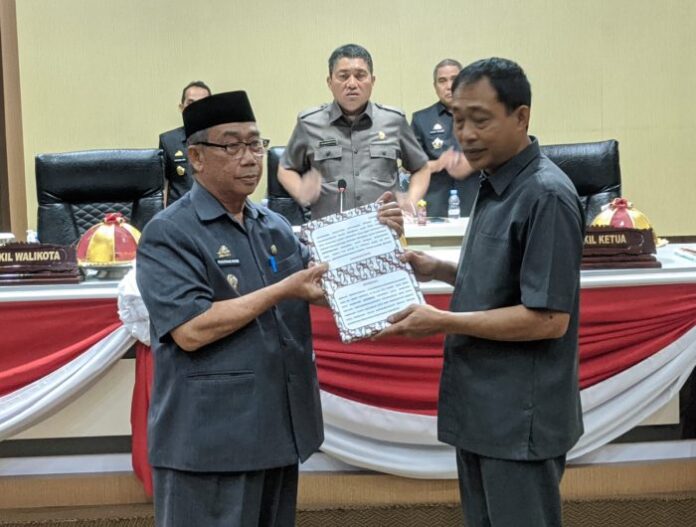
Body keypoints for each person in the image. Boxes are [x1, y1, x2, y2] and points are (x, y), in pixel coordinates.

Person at [136, 90, 403, 527]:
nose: (250, 158)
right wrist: (282, 290)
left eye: (255, 144)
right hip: (210, 443)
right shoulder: (170, 232)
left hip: (277, 430)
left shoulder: (273, 226)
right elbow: (191, 330)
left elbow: (323, 282)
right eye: (232, 146)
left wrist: (375, 235)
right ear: (196, 157)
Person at [377, 58, 585, 527]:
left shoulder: (546, 195)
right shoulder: (495, 182)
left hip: (518, 417)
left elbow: (548, 319)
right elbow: (503, 282)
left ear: (521, 117)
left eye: (480, 120)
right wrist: (439, 269)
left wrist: (442, 321)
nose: (465, 135)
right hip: (481, 409)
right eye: (458, 120)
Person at [278, 43, 430, 219]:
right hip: (330, 229)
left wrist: (410, 200)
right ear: (329, 82)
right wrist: (301, 191)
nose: (351, 84)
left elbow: (421, 167)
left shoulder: (394, 120)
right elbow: (285, 168)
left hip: (383, 228)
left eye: (360, 76)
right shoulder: (309, 123)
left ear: (372, 81)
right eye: (343, 76)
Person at [411, 59, 478, 217]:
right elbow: (412, 165)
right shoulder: (421, 119)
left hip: (477, 202)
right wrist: (438, 164)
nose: (449, 86)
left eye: (454, 79)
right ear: (435, 87)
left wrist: (472, 163)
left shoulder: (482, 116)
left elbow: (499, 156)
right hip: (435, 206)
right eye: (442, 81)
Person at [158, 80, 211, 206]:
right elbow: (162, 186)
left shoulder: (221, 140)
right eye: (191, 103)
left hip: (211, 210)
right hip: (179, 211)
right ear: (182, 108)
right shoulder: (168, 140)